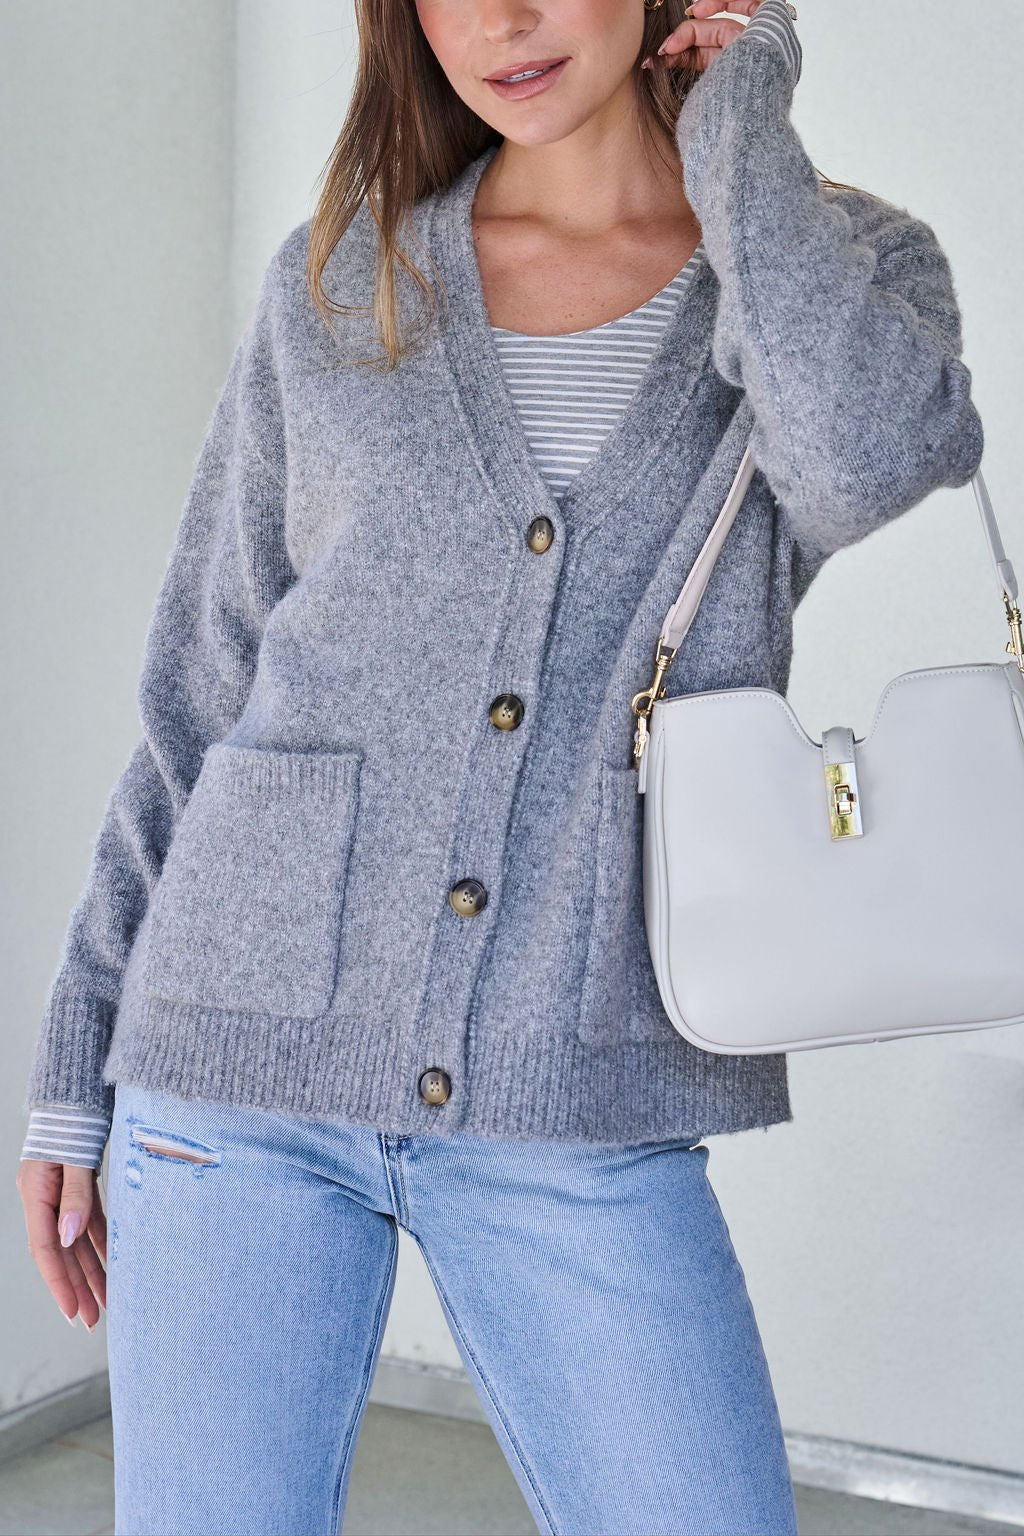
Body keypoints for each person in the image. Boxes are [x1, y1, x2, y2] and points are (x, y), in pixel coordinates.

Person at [16, 0, 983, 1531]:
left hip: (578, 1086)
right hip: (233, 1076)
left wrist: (739, 113)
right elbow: (200, 694)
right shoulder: (346, 277)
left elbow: (868, 457)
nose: (503, 20)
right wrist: (76, 1062)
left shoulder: (835, 263)